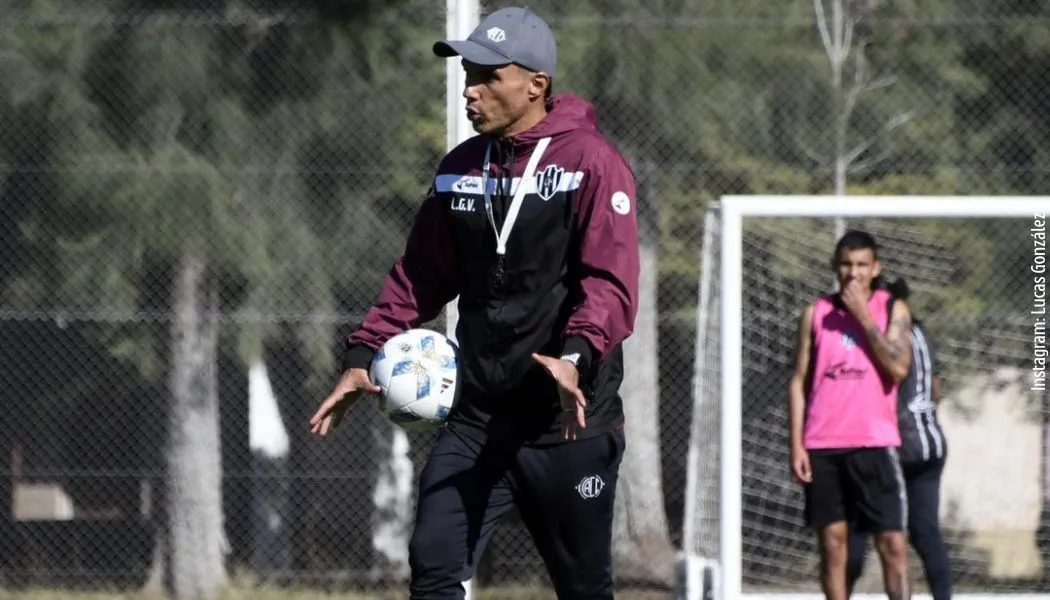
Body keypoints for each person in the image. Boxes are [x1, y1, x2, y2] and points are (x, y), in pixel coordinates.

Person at [308, 6, 640, 600]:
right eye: (469, 74)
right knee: (433, 567)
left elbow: (609, 283)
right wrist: (363, 353)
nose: (471, 89)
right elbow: (420, 274)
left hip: (566, 422)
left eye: (488, 76)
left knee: (584, 588)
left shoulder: (591, 163)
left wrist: (575, 356)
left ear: (536, 84)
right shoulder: (460, 168)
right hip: (477, 417)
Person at [788, 230, 913, 600]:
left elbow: (898, 369)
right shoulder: (816, 313)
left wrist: (862, 316)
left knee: (892, 543)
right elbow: (798, 381)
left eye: (861, 265)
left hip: (874, 443)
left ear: (876, 268)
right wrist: (796, 444)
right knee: (833, 544)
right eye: (846, 264)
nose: (853, 273)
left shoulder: (894, 310)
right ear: (835, 266)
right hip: (823, 444)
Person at [846, 279, 953, 600]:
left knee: (863, 535)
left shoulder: (886, 338)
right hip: (931, 442)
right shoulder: (923, 335)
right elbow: (935, 389)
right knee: (925, 534)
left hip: (896, 447)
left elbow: (889, 376)